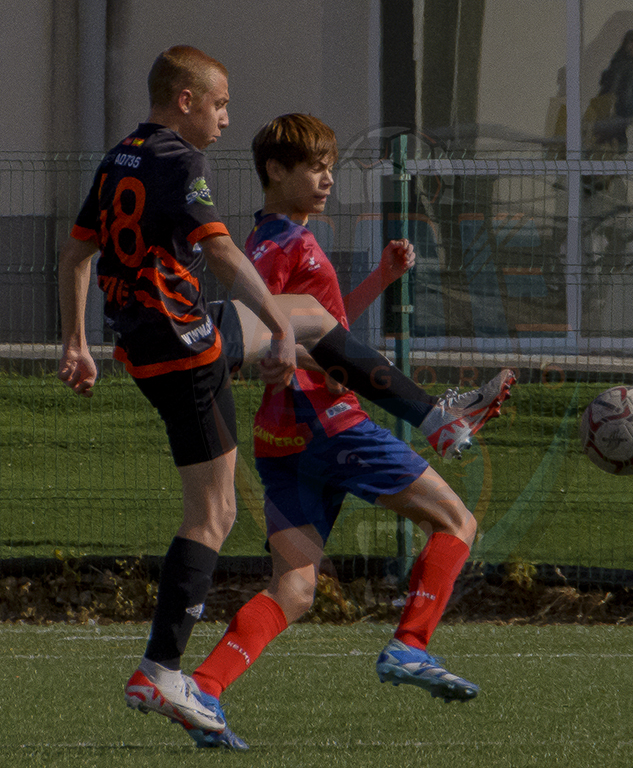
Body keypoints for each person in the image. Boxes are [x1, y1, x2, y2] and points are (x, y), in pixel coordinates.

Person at [57, 48, 514, 747]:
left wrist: (76, 343)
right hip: (202, 352)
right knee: (215, 514)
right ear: (185, 100)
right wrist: (276, 328)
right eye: (219, 104)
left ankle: (198, 683)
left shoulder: (119, 157)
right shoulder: (183, 160)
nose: (225, 119)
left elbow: (75, 254)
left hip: (146, 344)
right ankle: (161, 670)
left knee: (291, 580)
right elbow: (223, 256)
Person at [177, 114, 509, 749]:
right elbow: (262, 337)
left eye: (330, 167)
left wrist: (378, 281)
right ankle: (410, 645)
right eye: (314, 168)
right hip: (327, 422)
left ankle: (206, 688)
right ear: (276, 171)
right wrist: (287, 357)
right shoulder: (284, 245)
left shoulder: (275, 241)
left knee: (295, 588)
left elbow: (325, 335)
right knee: (456, 521)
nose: (327, 179)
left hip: (281, 437)